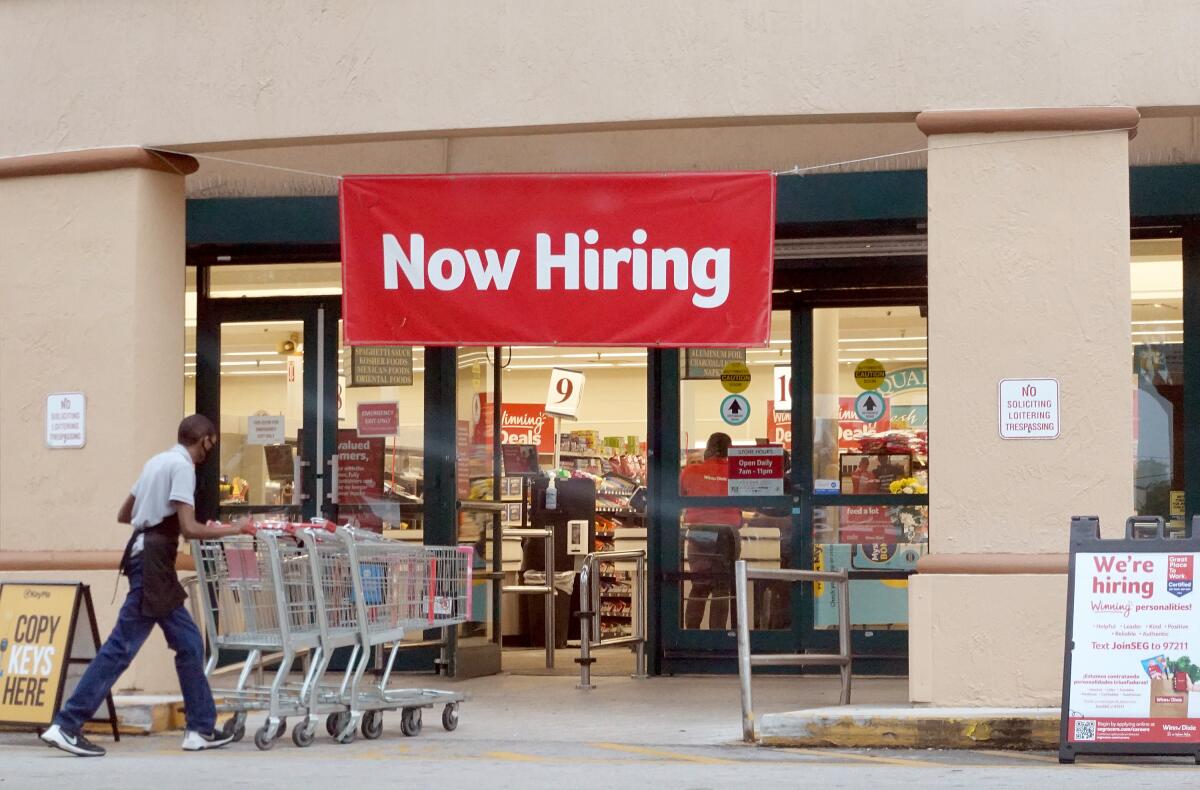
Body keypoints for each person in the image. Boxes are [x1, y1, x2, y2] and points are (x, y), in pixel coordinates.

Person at [41, 415, 247, 757]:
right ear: (205, 440)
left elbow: (125, 513)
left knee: (189, 643)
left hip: (144, 554)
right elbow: (190, 528)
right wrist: (234, 529)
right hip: (154, 562)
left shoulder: (157, 461)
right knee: (122, 647)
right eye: (210, 443)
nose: (208, 451)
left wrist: (150, 515)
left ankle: (200, 728)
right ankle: (67, 723)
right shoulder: (182, 468)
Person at [680, 432, 742, 630]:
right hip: (726, 535)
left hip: (698, 533)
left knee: (699, 586)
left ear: (708, 448)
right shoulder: (736, 472)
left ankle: (691, 634)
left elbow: (680, 497)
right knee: (721, 588)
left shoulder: (690, 471)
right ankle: (717, 636)